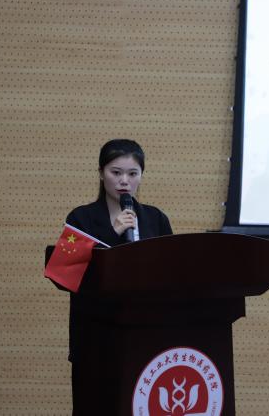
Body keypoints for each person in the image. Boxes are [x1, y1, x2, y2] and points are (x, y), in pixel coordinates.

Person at [63, 139, 172, 414]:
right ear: (101, 173)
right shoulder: (81, 218)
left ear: (141, 176)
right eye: (116, 172)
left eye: (133, 173)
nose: (124, 181)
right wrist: (112, 232)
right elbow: (65, 272)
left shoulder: (156, 219)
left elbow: (171, 273)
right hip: (95, 337)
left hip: (146, 333)